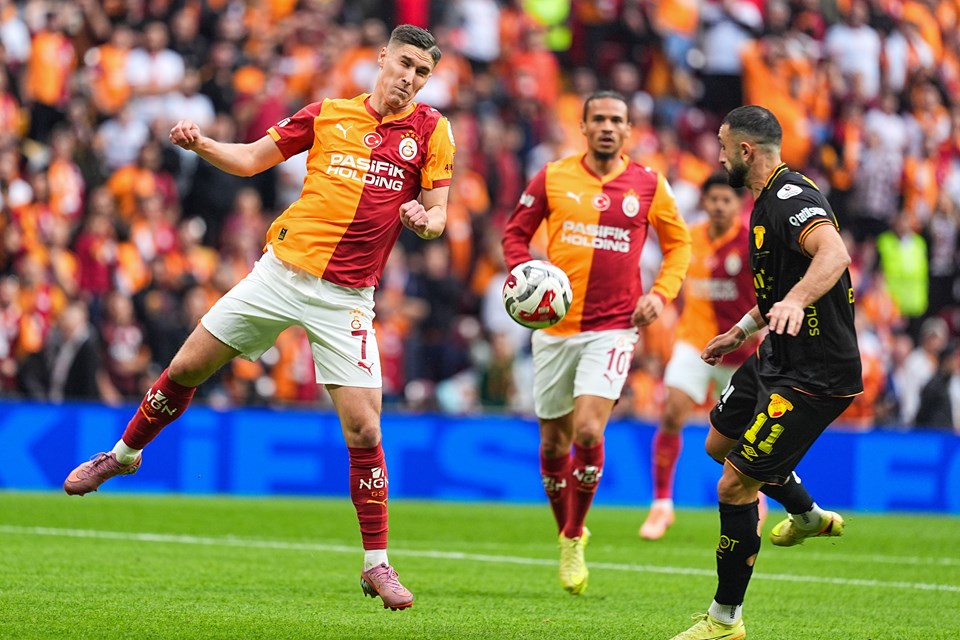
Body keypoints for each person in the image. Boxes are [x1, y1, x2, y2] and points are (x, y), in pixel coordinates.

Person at [63, 24, 455, 612]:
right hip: (280, 274)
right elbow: (250, 159)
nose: (410, 78)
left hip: (346, 297)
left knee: (366, 430)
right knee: (186, 368)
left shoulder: (432, 131)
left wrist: (425, 221)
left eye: (422, 72)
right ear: (381, 58)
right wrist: (202, 144)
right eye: (404, 64)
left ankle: (376, 563)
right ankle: (121, 457)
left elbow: (439, 212)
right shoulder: (326, 114)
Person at [670, 105, 862, 639]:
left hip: (816, 376)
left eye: (722, 146)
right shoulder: (763, 202)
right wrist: (740, 331)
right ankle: (807, 515)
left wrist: (797, 301)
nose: (718, 156)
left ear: (745, 150)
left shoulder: (790, 199)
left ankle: (724, 620)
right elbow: (777, 291)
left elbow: (834, 253)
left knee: (735, 485)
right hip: (776, 355)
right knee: (718, 444)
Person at [502, 90, 692, 595]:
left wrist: (660, 294)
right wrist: (527, 278)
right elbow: (514, 235)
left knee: (588, 431)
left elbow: (679, 245)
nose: (608, 127)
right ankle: (566, 530)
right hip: (554, 329)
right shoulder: (552, 176)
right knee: (553, 444)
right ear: (583, 127)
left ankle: (573, 535)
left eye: (617, 120)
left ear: (629, 130)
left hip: (614, 326)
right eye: (599, 119)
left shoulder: (649, 183)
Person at [639, 173, 765, 541]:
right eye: (714, 199)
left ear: (738, 204)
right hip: (694, 342)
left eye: (727, 200)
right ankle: (662, 504)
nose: (719, 206)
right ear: (705, 202)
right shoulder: (689, 238)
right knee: (672, 413)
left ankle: (754, 499)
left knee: (746, 435)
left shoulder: (750, 243)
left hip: (740, 350)